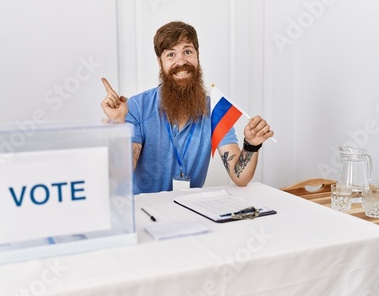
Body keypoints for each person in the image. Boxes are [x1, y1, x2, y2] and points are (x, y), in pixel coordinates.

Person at [101, 21, 274, 194]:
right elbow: (120, 175)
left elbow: (240, 177)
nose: (181, 61)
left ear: (197, 55)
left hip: (191, 209)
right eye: (171, 55)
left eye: (187, 51)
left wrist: (251, 145)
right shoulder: (137, 107)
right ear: (160, 62)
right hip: (145, 211)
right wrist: (118, 122)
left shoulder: (215, 110)